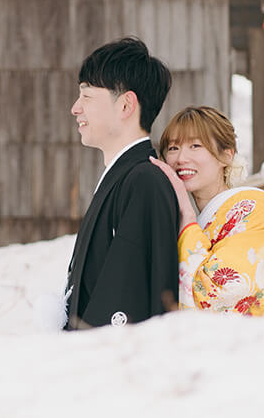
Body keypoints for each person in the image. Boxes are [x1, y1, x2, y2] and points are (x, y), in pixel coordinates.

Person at [151, 106, 264, 317]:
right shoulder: (209, 221)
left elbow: (213, 296)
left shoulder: (250, 214)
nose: (181, 158)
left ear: (226, 156)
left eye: (195, 145)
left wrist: (188, 219)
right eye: (172, 148)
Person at [62, 37, 180, 330]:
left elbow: (128, 299)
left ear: (126, 104)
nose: (76, 108)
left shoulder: (144, 181)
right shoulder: (126, 177)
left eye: (87, 96)